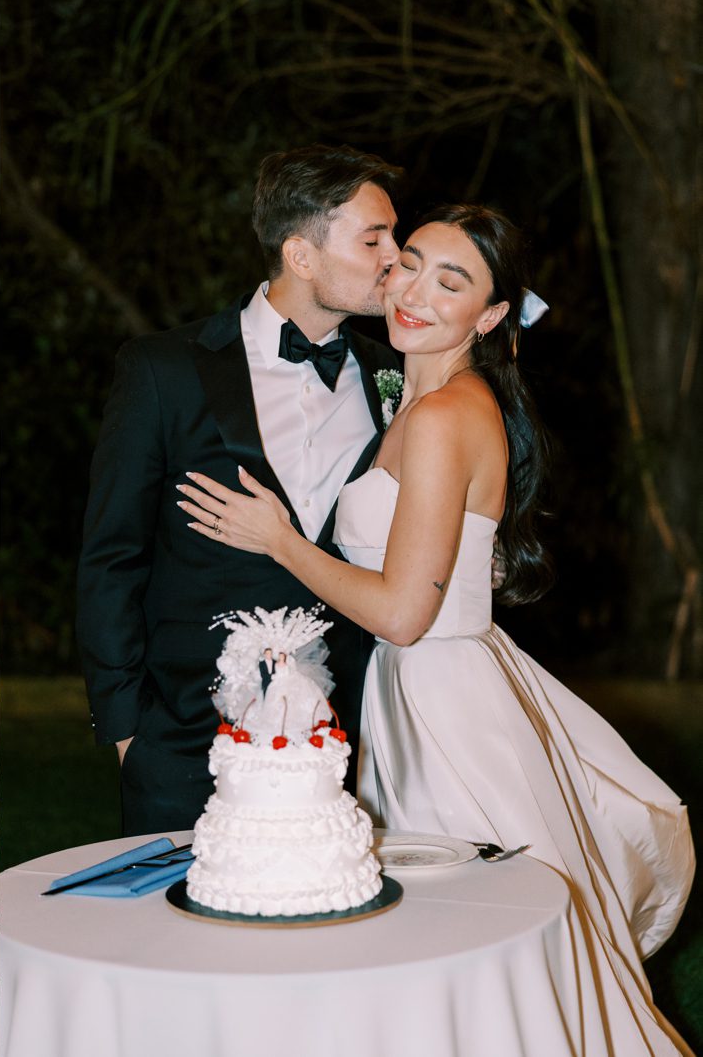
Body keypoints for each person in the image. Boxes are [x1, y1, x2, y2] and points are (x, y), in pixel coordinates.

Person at [179, 204, 693, 1053]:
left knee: (459, 941)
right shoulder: (421, 404)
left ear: (490, 317)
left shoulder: (449, 415)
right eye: (410, 263)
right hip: (422, 688)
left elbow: (403, 612)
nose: (414, 291)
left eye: (451, 282)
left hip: (443, 706)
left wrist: (280, 541)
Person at [77, 144, 403, 837]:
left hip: (345, 740)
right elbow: (111, 559)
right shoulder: (164, 371)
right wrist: (128, 732)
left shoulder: (394, 378)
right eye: (374, 238)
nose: (395, 258)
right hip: (185, 741)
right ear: (301, 255)